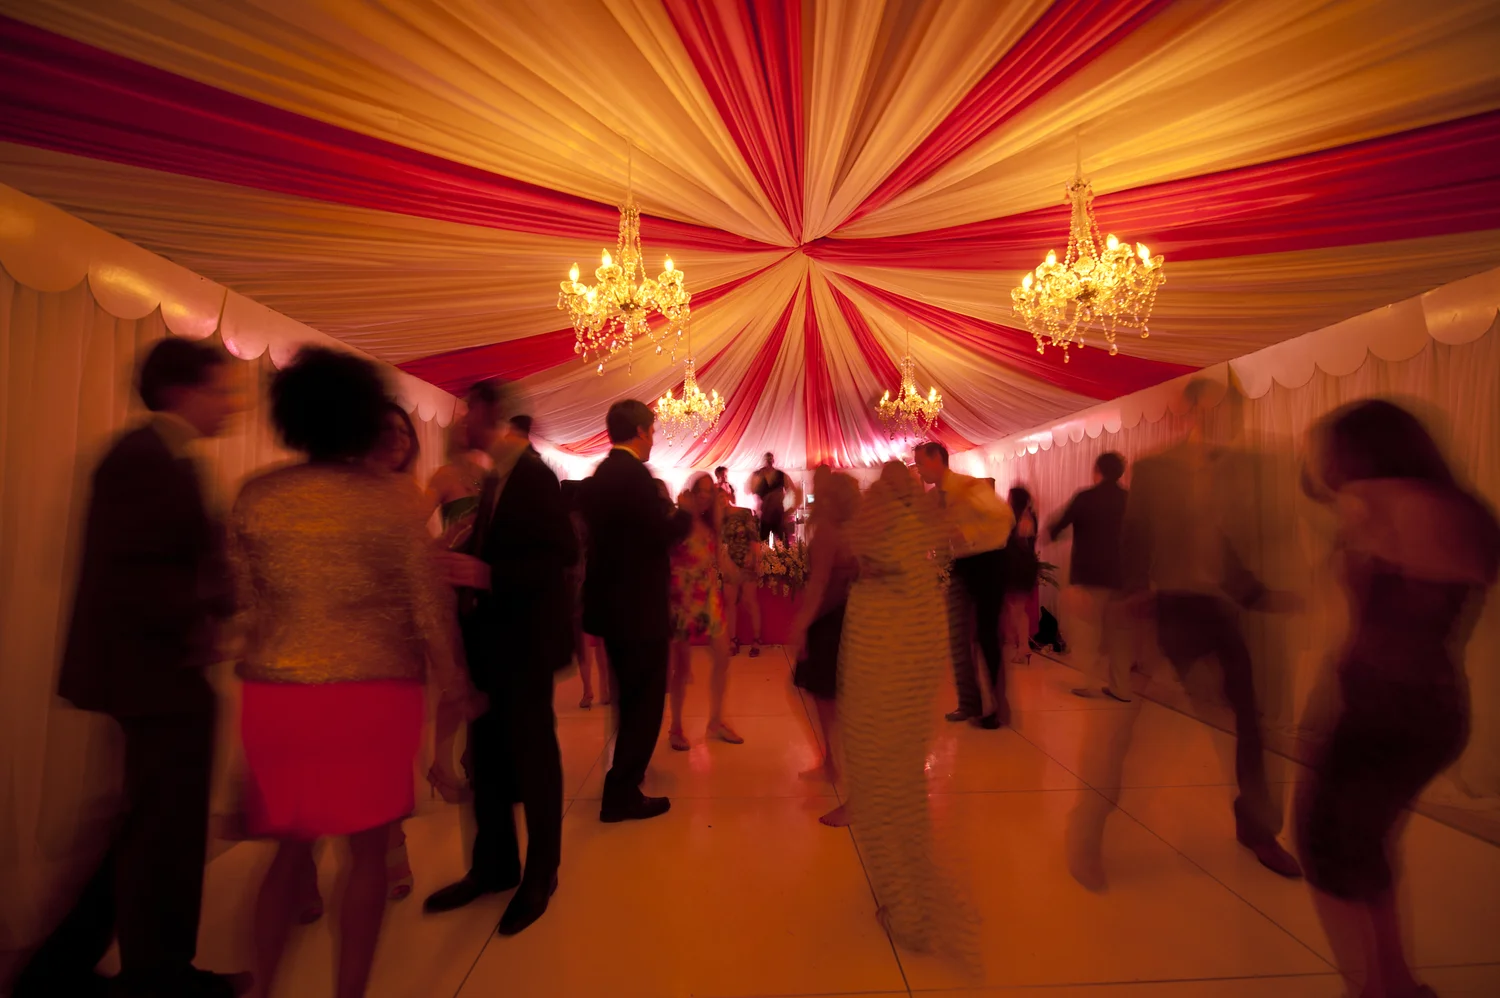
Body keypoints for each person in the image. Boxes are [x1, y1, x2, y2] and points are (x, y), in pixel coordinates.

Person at [229, 347, 472, 998]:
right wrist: (455, 682)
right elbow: (429, 609)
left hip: (276, 697)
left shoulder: (257, 496)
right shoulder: (393, 501)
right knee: (367, 853)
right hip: (373, 695)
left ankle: (263, 986)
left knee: (290, 850)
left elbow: (242, 605)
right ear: (364, 418)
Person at [16, 339, 247, 998]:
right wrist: (208, 621)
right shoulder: (143, 459)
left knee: (145, 828)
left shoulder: (159, 456)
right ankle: (160, 979)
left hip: (153, 676)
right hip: (156, 679)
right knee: (163, 835)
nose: (232, 404)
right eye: (221, 390)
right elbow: (135, 578)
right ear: (181, 391)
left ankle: (59, 971)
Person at [1297, 400, 1498, 998]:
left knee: (1326, 850)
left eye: (1328, 452)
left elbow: (1363, 627)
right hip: (1437, 707)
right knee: (1366, 848)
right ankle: (1397, 984)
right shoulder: (1462, 510)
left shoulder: (1374, 502)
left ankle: (1371, 989)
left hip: (1382, 710)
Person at [423, 379, 577, 937]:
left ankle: (541, 873)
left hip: (526, 644)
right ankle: (493, 866)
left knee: (534, 761)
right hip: (491, 642)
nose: (461, 422)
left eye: (468, 412)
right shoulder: (496, 475)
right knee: (486, 759)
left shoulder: (533, 475)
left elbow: (562, 555)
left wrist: (488, 574)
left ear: (491, 414)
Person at [1118, 413, 1302, 878]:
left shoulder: (1219, 487)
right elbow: (1136, 535)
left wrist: (1261, 596)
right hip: (1174, 609)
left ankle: (1257, 830)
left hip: (1217, 612)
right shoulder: (1159, 472)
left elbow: (1222, 555)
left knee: (1248, 717)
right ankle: (1103, 810)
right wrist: (1135, 589)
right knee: (1158, 728)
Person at [836, 462, 975, 961]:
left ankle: (909, 913)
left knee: (885, 795)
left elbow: (856, 568)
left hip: (884, 682)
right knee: (904, 790)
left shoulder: (875, 534)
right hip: (912, 678)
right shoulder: (923, 534)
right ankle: (915, 902)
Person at [580, 400, 694, 823]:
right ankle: (622, 791)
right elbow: (658, 535)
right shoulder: (636, 477)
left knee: (627, 698)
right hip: (639, 610)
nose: (653, 439)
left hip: (611, 609)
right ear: (641, 431)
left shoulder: (602, 475)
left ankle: (624, 778)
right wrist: (685, 514)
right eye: (652, 431)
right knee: (644, 703)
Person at [913, 443, 1015, 729]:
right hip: (962, 565)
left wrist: (966, 533)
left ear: (937, 459)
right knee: (956, 635)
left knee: (985, 634)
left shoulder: (969, 487)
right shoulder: (934, 499)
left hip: (989, 562)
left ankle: (995, 707)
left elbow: (1004, 517)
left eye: (920, 463)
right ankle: (969, 703)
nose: (919, 471)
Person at [789, 468, 860, 789]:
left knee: (823, 696)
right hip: (849, 617)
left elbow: (818, 585)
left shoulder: (828, 532)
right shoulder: (853, 532)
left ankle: (833, 764)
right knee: (836, 696)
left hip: (828, 620)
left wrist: (802, 623)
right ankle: (835, 761)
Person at [666, 474, 744, 750]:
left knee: (723, 657)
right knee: (682, 668)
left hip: (707, 596)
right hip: (682, 598)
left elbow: (718, 558)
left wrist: (737, 572)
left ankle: (716, 721)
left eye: (709, 491)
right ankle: (676, 727)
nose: (705, 496)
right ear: (692, 492)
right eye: (701, 490)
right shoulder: (679, 522)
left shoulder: (711, 524)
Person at [1049, 452, 1131, 701]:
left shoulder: (1085, 497)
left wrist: (1052, 533)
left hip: (1090, 575)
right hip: (1122, 575)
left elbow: (1059, 525)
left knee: (1088, 632)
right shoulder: (1130, 499)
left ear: (1098, 470)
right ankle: (1121, 688)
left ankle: (1089, 684)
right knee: (1120, 635)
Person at [561, 480, 611, 709]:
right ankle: (604, 689)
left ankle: (588, 690)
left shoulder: (568, 520)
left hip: (576, 582)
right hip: (597, 579)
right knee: (601, 640)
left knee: (583, 641)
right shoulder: (598, 518)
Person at [1001, 486, 1040, 665]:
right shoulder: (1030, 516)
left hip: (1017, 566)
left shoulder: (1014, 517)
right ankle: (1022, 646)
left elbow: (1013, 543)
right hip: (1027, 566)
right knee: (1018, 607)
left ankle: (1021, 646)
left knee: (1014, 608)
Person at [720, 493, 763, 657]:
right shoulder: (717, 519)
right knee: (730, 603)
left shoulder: (743, 512)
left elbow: (754, 537)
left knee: (750, 601)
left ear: (728, 496)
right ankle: (733, 640)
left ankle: (756, 639)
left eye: (721, 496)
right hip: (728, 563)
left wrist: (754, 557)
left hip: (747, 561)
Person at [749, 452, 802, 546]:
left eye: (770, 459)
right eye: (767, 459)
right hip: (765, 516)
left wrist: (791, 510)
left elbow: (796, 491)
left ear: (773, 460)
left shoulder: (781, 475)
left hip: (778, 515)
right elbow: (750, 489)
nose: (769, 461)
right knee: (761, 545)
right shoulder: (758, 475)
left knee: (784, 546)